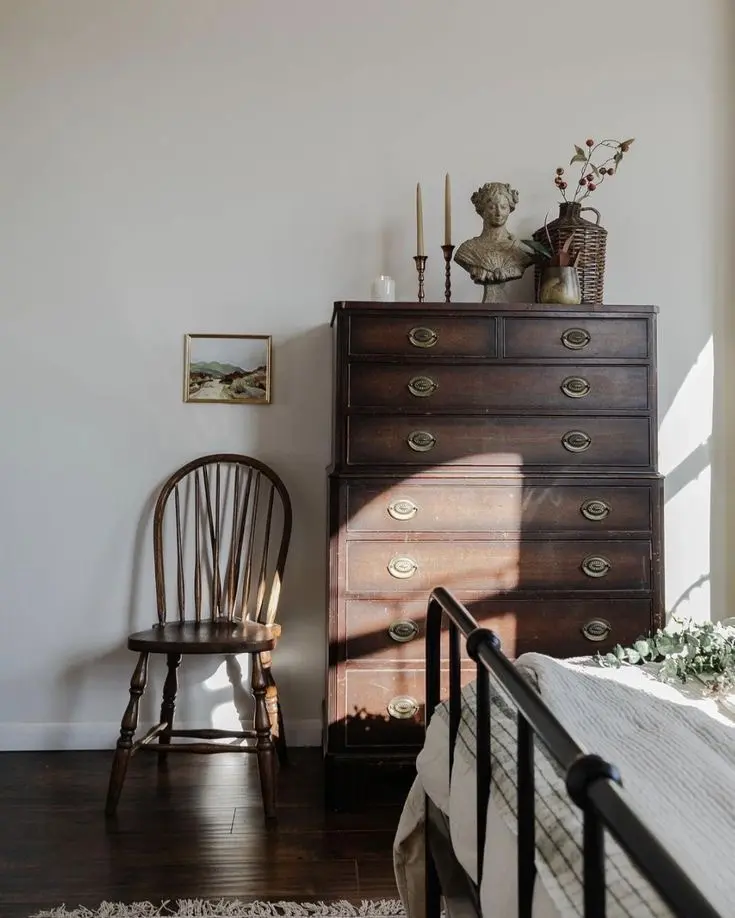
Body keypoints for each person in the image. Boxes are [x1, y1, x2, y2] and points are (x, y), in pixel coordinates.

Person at [454, 182, 535, 300]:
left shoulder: (520, 249)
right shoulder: (467, 249)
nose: (498, 213)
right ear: (482, 210)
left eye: (503, 207)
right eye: (492, 207)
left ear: (510, 209)